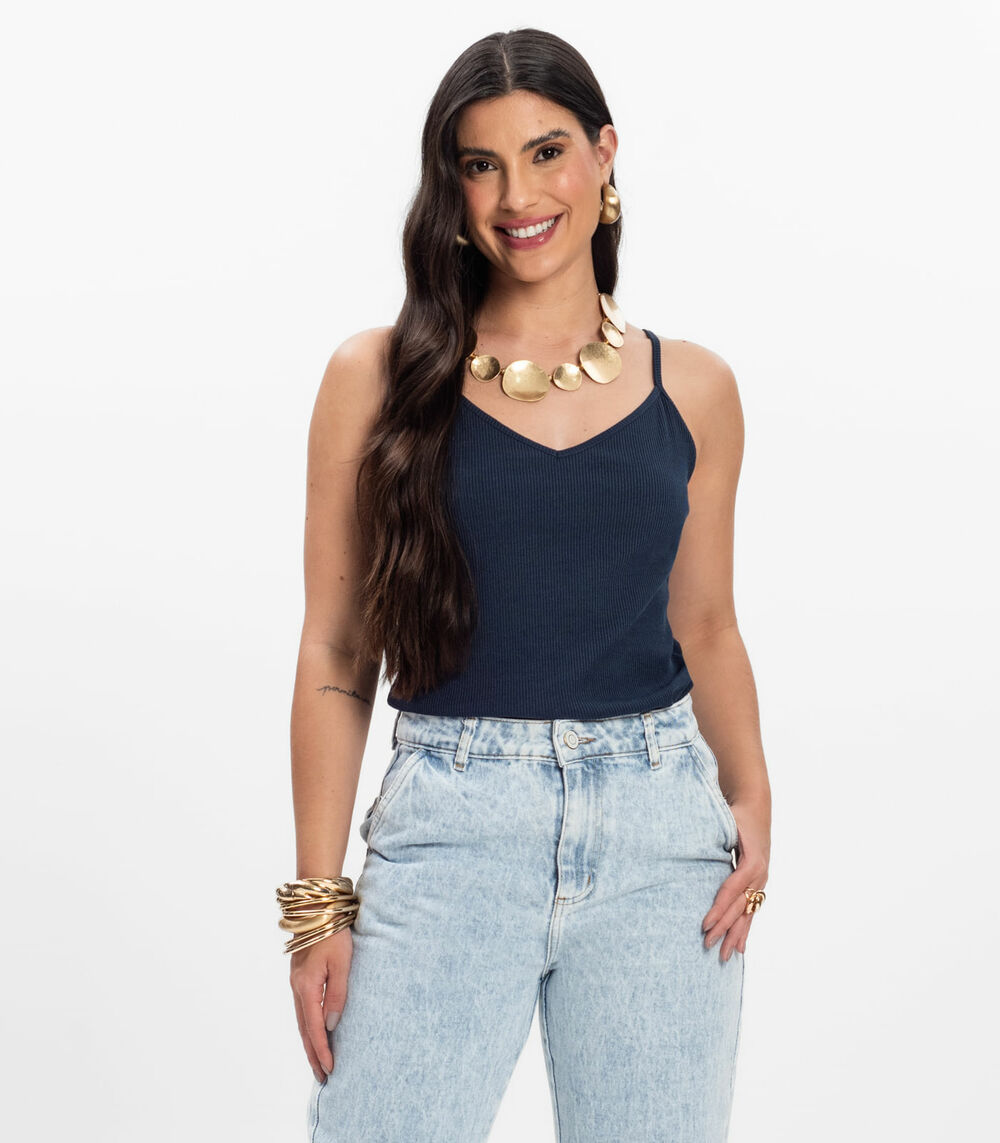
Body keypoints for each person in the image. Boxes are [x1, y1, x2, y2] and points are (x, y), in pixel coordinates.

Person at [279, 27, 772, 1143]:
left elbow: (706, 623)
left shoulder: (694, 386)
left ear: (604, 156)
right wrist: (318, 903)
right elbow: (336, 649)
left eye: (547, 152)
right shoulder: (376, 378)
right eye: (481, 164)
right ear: (450, 191)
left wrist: (750, 801)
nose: (518, 196)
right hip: (450, 830)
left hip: (660, 836)